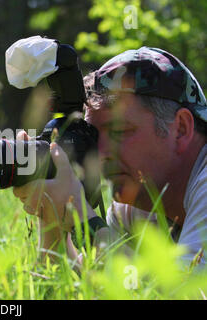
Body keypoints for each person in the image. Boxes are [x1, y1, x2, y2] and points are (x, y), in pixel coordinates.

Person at [13, 46, 206, 268]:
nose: (101, 153)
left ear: (181, 129)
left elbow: (184, 290)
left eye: (119, 131)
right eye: (93, 136)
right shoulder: (134, 206)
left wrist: (84, 219)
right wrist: (53, 215)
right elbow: (98, 283)